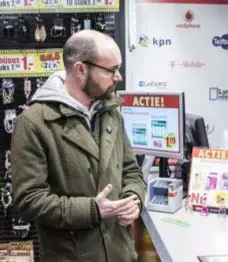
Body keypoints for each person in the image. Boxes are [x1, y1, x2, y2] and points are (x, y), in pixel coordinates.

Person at [11, 30, 146, 261]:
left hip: (120, 252)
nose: (118, 77)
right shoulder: (35, 122)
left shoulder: (111, 112)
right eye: (110, 70)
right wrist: (92, 210)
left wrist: (134, 198)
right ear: (80, 69)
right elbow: (28, 199)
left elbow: (131, 171)